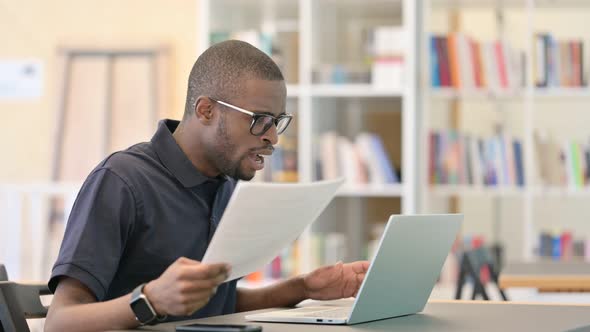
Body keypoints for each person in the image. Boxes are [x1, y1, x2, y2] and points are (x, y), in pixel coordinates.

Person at [44, 40, 369, 332]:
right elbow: (60, 322)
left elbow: (217, 305)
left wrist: (303, 288)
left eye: (278, 121)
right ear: (206, 110)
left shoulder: (224, 183)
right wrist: (151, 301)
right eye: (260, 120)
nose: (273, 137)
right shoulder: (122, 181)